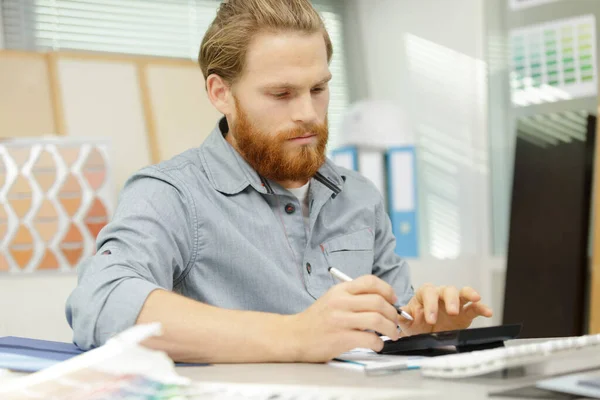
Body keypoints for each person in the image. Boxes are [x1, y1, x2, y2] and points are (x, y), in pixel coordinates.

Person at [66, 0, 492, 363]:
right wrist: (295, 336)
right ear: (220, 93)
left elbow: (388, 331)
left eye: (319, 89)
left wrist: (427, 334)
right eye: (282, 94)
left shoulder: (359, 196)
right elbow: (101, 303)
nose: (308, 112)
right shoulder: (171, 195)